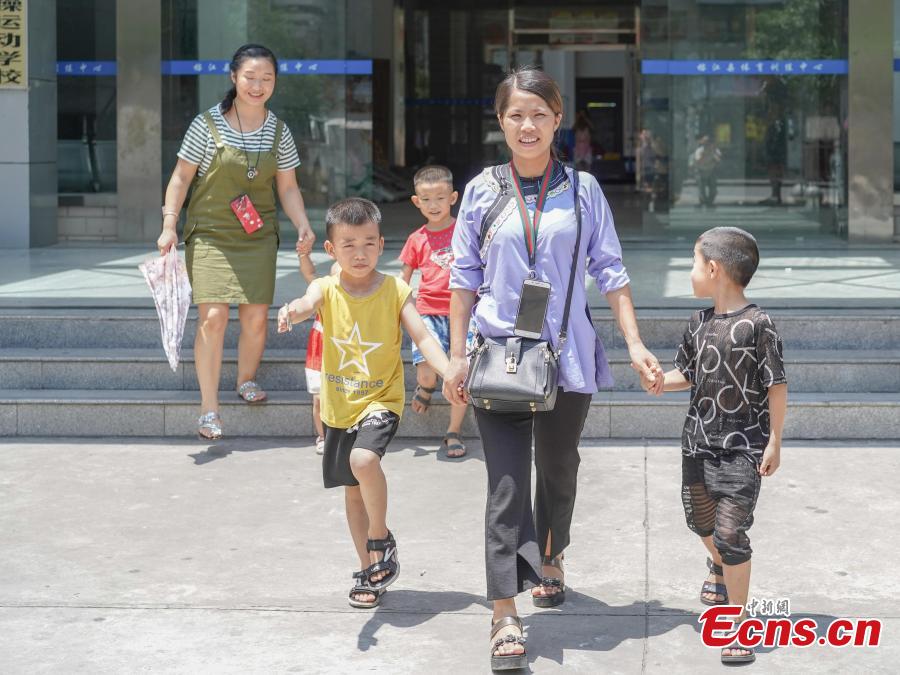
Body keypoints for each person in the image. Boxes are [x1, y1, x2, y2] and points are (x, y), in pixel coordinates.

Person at [441, 66, 663, 671]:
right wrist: (457, 351)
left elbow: (610, 271)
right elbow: (462, 279)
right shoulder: (483, 191)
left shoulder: (583, 189)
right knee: (506, 485)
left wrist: (636, 342)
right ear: (501, 120)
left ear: (558, 119)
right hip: (499, 356)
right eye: (517, 114)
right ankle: (505, 615)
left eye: (539, 114)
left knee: (558, 469)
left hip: (565, 356)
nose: (528, 125)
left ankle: (552, 552)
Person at [277, 198, 451, 610]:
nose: (360, 253)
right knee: (352, 492)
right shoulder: (326, 288)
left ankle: (380, 537)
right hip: (340, 406)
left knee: (364, 462)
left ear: (381, 245)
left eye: (369, 243)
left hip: (381, 399)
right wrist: (290, 312)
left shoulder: (395, 290)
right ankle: (370, 571)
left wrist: (449, 371)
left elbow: (424, 338)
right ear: (331, 250)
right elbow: (305, 303)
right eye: (349, 244)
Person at [638, 226, 787, 665]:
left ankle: (738, 623)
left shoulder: (759, 325)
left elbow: (775, 384)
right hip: (698, 445)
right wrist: (659, 382)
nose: (690, 273)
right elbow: (687, 373)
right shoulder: (698, 323)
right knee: (702, 524)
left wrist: (775, 440)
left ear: (714, 268)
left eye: (692, 263)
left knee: (730, 533)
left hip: (744, 448)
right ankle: (718, 566)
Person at [157, 43, 315, 440]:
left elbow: (289, 187)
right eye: (250, 77)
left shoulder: (279, 130)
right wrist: (170, 224)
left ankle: (245, 379)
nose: (258, 85)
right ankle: (209, 409)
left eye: (267, 79)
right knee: (212, 317)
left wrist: (303, 224)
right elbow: (180, 178)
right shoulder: (206, 124)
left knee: (256, 317)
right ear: (233, 78)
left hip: (257, 235)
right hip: (209, 234)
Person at [399, 165, 468, 459]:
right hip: (427, 312)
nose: (433, 205)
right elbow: (403, 280)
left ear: (453, 198)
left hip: (461, 314)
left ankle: (453, 431)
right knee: (427, 374)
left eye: (440, 198)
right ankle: (425, 388)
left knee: (460, 377)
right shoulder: (417, 239)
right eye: (426, 200)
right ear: (416, 202)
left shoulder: (465, 231)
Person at [298, 255, 341, 455]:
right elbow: (309, 273)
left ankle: (343, 435)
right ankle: (323, 436)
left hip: (344, 356)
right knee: (318, 398)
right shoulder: (323, 294)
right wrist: (303, 255)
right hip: (319, 353)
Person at [691, 135, 722, 207]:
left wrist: (714, 154)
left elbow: (719, 160)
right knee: (702, 189)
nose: (707, 145)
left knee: (713, 189)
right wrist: (704, 154)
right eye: (706, 143)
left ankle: (710, 201)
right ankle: (703, 201)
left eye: (709, 143)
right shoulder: (700, 150)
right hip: (701, 171)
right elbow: (698, 161)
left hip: (711, 170)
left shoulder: (715, 150)